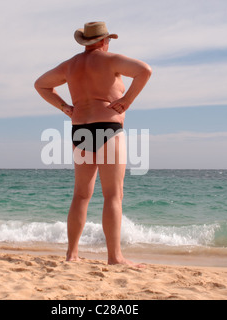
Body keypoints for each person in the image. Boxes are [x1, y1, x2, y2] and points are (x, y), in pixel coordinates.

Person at [35, 22, 151, 266]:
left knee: (80, 195)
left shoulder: (70, 65)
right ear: (102, 41)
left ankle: (72, 254)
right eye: (108, 39)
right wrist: (127, 100)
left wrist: (65, 107)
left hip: (80, 130)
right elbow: (145, 70)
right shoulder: (111, 60)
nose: (109, 43)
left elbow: (41, 84)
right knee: (113, 195)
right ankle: (114, 257)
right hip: (108, 128)